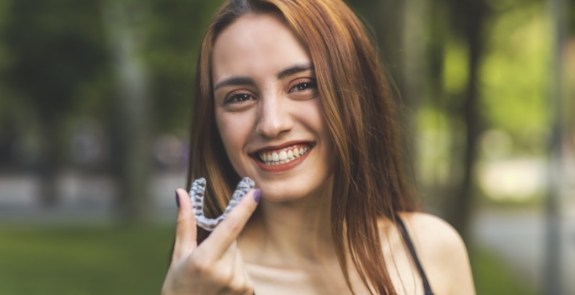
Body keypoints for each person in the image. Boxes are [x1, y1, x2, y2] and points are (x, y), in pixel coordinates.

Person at [162, 0, 475, 294]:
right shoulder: (206, 279)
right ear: (213, 123)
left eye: (302, 85)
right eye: (240, 97)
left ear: (357, 94)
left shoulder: (433, 249)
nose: (271, 124)